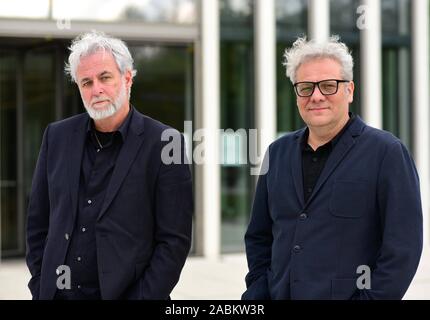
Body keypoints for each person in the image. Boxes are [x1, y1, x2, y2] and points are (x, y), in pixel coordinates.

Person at [242, 36, 423, 300]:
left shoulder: (387, 153)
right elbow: (259, 237)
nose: (316, 96)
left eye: (328, 86)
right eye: (305, 87)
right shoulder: (277, 153)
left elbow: (402, 249)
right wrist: (258, 293)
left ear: (349, 90)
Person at [25, 31, 193, 300]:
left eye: (104, 78)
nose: (96, 90)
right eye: (86, 82)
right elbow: (38, 224)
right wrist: (40, 285)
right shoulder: (56, 137)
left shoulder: (165, 143)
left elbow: (173, 242)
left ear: (127, 79)